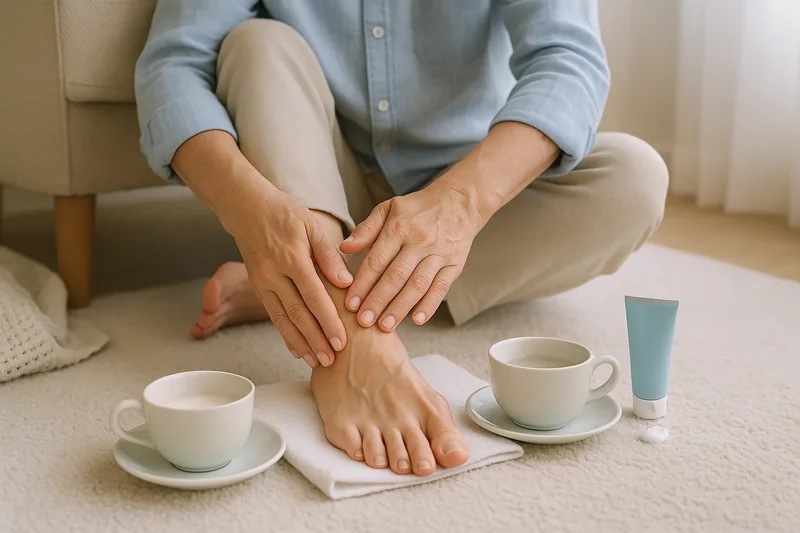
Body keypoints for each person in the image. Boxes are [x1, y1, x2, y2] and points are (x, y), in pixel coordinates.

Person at [135, 1, 668, 477]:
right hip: (314, 168)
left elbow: (568, 60)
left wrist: (462, 202)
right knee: (257, 42)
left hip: (464, 173)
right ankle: (347, 342)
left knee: (635, 179)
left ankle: (301, 288)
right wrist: (250, 213)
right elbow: (174, 66)